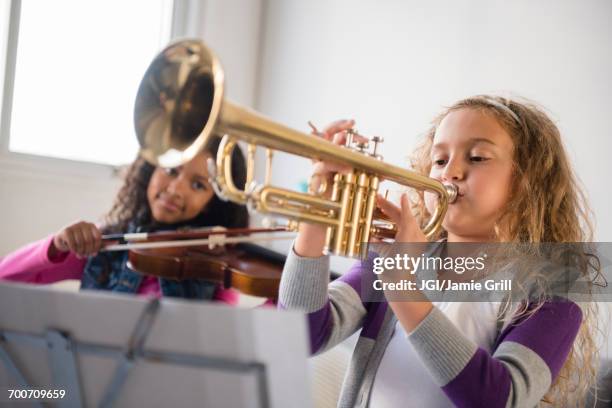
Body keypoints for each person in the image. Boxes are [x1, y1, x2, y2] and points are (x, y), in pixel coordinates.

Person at [278, 96, 600, 407]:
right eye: (440, 160)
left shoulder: (553, 292)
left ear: (526, 181)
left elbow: (499, 398)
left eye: (476, 157)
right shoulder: (393, 258)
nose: (450, 173)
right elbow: (302, 335)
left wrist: (404, 290)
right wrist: (316, 213)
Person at [0, 138, 248, 303]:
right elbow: (5, 277)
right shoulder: (105, 243)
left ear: (212, 202)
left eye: (197, 185)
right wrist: (56, 246)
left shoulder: (213, 266)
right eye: (170, 170)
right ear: (151, 169)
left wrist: (281, 294)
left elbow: (229, 338)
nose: (175, 189)